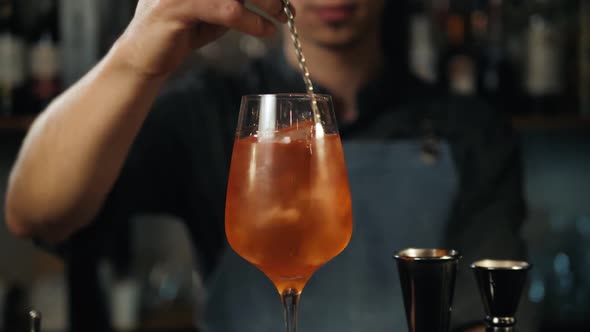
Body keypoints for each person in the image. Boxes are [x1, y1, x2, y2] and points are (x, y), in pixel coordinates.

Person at [4, 0, 532, 331]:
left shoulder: (471, 128)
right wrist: (136, 56)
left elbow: (487, 314)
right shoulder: (208, 111)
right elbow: (35, 214)